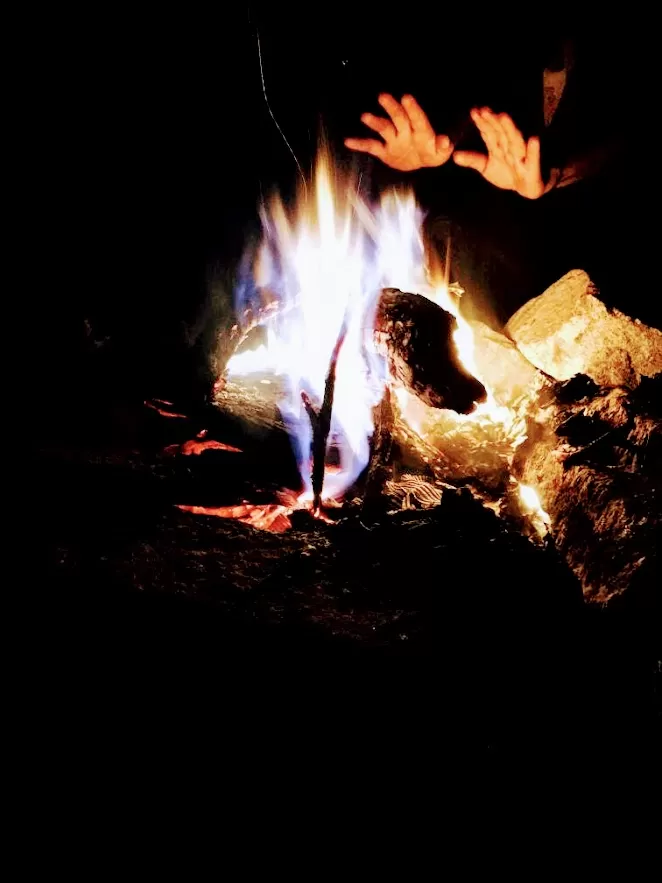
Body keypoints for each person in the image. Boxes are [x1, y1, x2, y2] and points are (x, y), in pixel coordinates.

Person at [344, 32, 643, 328]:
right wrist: (442, 141)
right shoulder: (505, 54)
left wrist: (557, 173)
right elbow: (471, 102)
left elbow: (620, 140)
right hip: (495, 249)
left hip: (594, 242)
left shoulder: (608, 64)